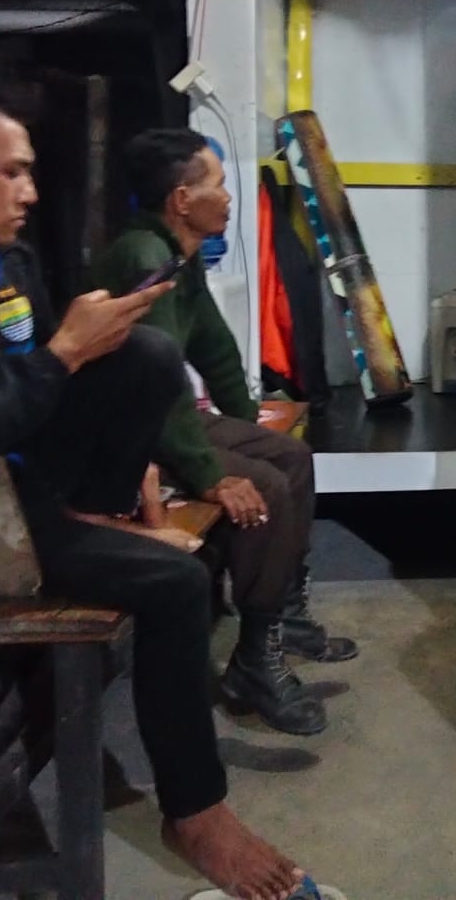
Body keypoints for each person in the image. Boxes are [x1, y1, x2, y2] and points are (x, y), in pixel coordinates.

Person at [0, 73, 310, 900]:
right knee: (175, 585)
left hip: (28, 489)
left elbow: (50, 389)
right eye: (10, 171)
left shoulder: (6, 259)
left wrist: (120, 433)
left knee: (143, 356)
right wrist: (64, 353)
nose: (30, 192)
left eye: (30, 172)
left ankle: (91, 512)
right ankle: (196, 812)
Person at [93, 128, 357, 738]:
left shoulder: (176, 256)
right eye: (217, 184)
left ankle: (284, 615)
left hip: (162, 420)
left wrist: (248, 420)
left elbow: (212, 346)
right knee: (263, 486)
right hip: (126, 437)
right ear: (182, 199)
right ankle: (254, 661)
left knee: (291, 456)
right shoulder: (144, 257)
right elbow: (154, 388)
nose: (229, 196)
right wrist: (212, 476)